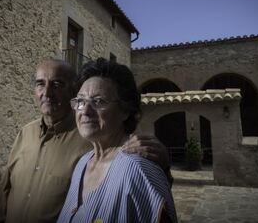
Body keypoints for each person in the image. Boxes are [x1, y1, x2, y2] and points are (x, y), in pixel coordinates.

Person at [0, 59, 171, 223]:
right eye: (40, 84)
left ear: (125, 110)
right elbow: (5, 190)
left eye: (98, 101)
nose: (47, 92)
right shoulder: (85, 161)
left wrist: (161, 169)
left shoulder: (130, 162)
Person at [57, 59, 177, 223]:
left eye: (98, 101)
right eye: (80, 101)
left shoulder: (138, 168)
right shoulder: (82, 163)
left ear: (125, 110)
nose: (85, 110)